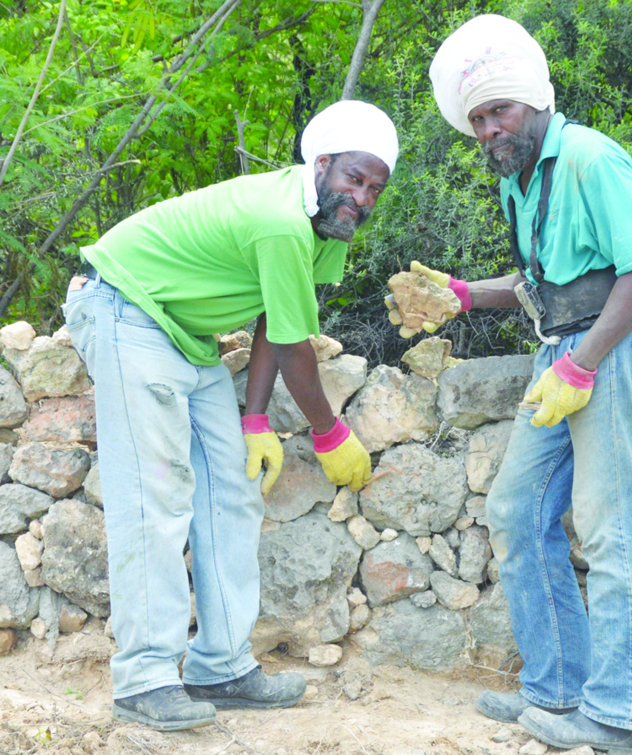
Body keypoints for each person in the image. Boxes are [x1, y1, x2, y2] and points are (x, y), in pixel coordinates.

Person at [62, 100, 398, 732]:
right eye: (354, 179)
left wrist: (254, 420)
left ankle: (221, 667)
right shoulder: (281, 220)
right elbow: (295, 347)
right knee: (156, 497)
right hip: (126, 308)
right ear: (322, 164)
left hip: (187, 339)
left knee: (234, 490)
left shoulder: (323, 227)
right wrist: (329, 432)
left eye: (375, 188)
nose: (362, 197)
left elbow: (277, 315)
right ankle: (144, 679)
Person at [392, 15, 632, 754]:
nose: (490, 128)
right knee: (516, 511)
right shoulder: (520, 179)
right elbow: (543, 282)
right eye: (479, 119)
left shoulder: (588, 157)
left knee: (614, 529)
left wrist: (583, 365)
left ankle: (618, 716)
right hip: (564, 352)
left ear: (535, 101)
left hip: (611, 350)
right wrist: (461, 294)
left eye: (501, 111)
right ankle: (556, 689)